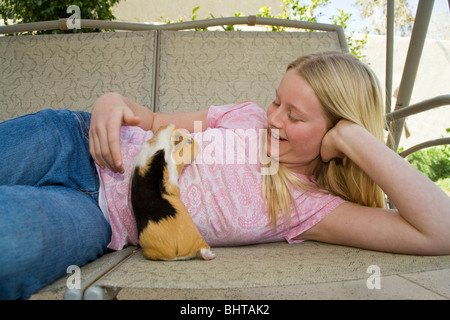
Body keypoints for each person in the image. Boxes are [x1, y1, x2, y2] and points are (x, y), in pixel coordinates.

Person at [0, 51, 449, 299]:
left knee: (9, 245)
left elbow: (441, 232)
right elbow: (151, 119)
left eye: (295, 115)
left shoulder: (310, 208)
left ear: (336, 130)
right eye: (277, 101)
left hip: (97, 216)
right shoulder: (245, 116)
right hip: (74, 140)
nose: (273, 118)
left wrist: (356, 139)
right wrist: (110, 101)